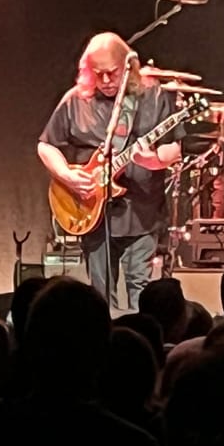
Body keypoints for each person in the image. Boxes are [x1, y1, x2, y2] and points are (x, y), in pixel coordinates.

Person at [37, 31, 181, 310]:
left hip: (142, 213)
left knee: (141, 289)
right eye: (97, 73)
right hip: (93, 214)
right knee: (100, 296)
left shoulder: (153, 97)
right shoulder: (75, 100)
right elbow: (46, 146)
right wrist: (67, 175)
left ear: (128, 68)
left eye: (112, 73)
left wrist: (150, 160)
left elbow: (174, 148)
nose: (105, 81)